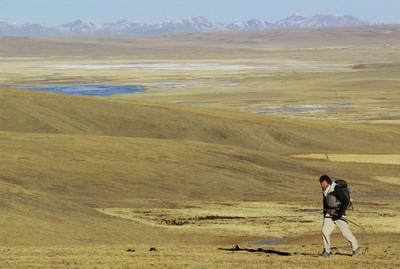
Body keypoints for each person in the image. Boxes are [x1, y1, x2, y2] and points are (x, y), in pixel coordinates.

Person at [319, 175, 361, 257]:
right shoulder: (325, 190)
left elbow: (345, 201)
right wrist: (325, 213)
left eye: (323, 184)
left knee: (346, 233)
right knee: (324, 231)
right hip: (329, 214)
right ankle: (327, 251)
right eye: (321, 184)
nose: (322, 185)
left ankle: (355, 248)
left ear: (328, 183)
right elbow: (325, 202)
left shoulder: (336, 189)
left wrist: (339, 215)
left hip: (339, 214)